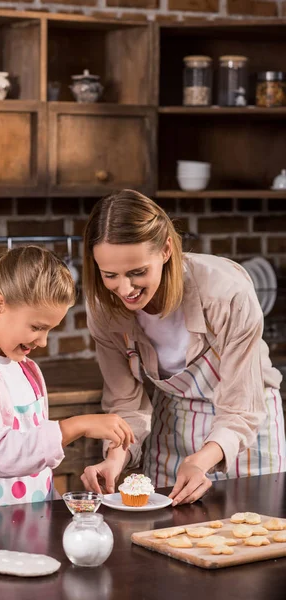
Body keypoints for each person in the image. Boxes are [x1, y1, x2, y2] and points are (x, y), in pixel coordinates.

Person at [81, 189, 285, 507]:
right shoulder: (104, 309)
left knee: (252, 541)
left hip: (246, 432)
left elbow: (241, 409)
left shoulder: (225, 292)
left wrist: (200, 460)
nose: (124, 289)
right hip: (172, 424)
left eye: (137, 272)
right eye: (110, 275)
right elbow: (127, 406)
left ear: (165, 250)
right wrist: (115, 458)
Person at [0, 246, 134, 511]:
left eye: (49, 329)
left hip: (33, 523)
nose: (42, 341)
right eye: (37, 327)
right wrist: (76, 426)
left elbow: (33, 459)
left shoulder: (27, 370)